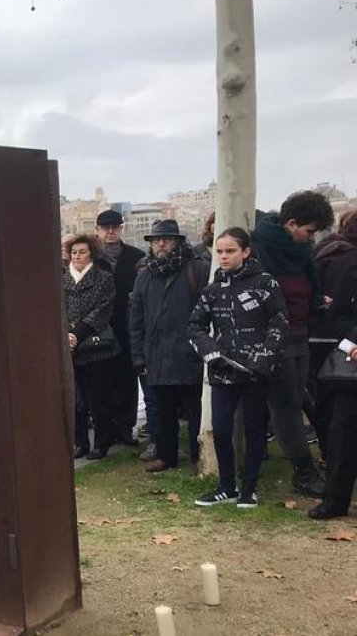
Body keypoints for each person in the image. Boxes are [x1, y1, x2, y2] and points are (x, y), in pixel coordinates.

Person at [189, 228, 288, 508]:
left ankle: (250, 487)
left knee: (255, 428)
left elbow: (279, 323)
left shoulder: (265, 283)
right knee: (220, 429)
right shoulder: (212, 289)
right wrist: (211, 353)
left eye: (230, 251)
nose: (223, 256)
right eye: (219, 251)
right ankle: (226, 486)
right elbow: (194, 326)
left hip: (257, 370)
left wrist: (262, 359)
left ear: (245, 252)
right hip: (224, 368)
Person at [250, 191, 333, 497]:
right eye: (309, 232)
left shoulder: (300, 253)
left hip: (300, 332)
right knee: (286, 406)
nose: (311, 238)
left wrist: (316, 301)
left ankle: (318, 461)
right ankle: (304, 471)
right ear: (292, 224)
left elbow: (307, 286)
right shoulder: (260, 248)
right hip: (274, 339)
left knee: (299, 399)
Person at [129, 220, 210, 473]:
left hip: (189, 352)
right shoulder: (144, 276)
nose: (160, 244)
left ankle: (200, 456)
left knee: (195, 409)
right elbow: (136, 319)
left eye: (166, 239)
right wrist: (138, 355)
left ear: (178, 241)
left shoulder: (197, 269)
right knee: (163, 411)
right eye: (155, 240)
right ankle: (166, 456)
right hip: (157, 353)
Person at [64, 235, 120, 459]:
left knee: (99, 398)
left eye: (82, 252)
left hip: (96, 347)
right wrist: (66, 335)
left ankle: (101, 442)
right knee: (76, 399)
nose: (77, 256)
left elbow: (103, 310)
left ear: (92, 254)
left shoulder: (103, 278)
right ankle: (80, 442)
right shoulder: (62, 278)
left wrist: (76, 334)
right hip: (70, 347)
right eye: (74, 252)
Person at [93, 210, 145, 448]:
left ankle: (125, 426)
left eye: (114, 227)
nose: (110, 232)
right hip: (98, 327)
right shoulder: (91, 258)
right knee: (102, 380)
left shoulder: (136, 257)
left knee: (127, 377)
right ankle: (106, 429)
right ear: (98, 230)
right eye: (105, 228)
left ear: (121, 229)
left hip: (127, 325)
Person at [310, 209, 357, 466]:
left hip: (316, 332)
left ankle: (329, 452)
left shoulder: (324, 250)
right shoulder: (350, 259)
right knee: (341, 405)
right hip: (344, 339)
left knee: (323, 399)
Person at [309, 332, 357, 520]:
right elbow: (344, 334)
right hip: (351, 381)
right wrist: (351, 347)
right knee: (340, 437)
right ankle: (335, 501)